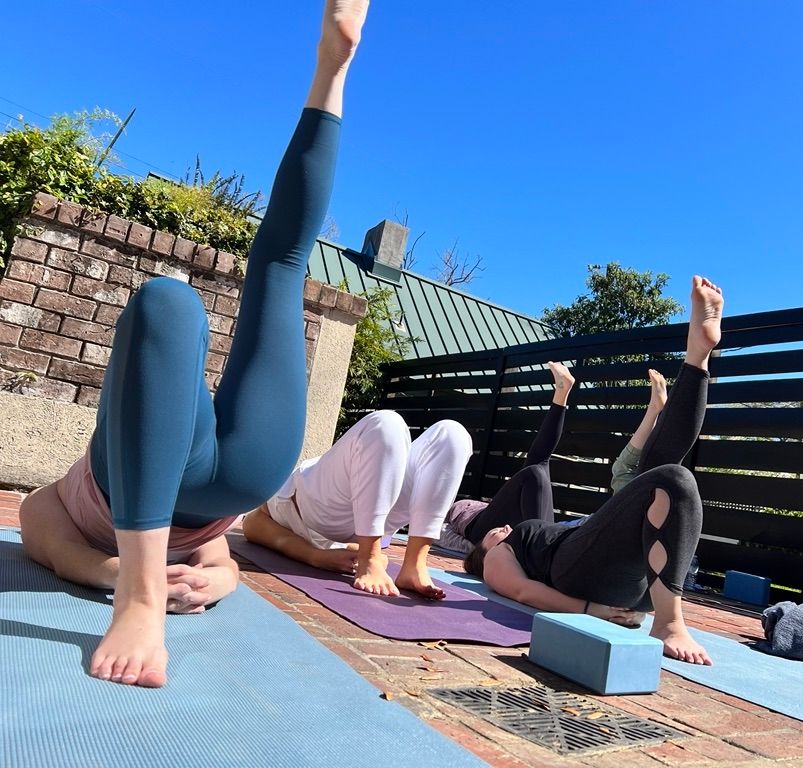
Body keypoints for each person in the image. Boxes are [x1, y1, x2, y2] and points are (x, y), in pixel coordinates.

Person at [17, 0, 371, 688]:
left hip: (203, 481)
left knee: (187, 294)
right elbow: (43, 530)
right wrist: (136, 573)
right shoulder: (76, 503)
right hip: (231, 482)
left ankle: (332, 69)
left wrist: (193, 581)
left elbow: (37, 520)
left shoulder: (70, 494)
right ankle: (332, 69)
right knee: (246, 276)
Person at [464, 276, 724, 664]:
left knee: (668, 479)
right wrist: (590, 610)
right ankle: (670, 623)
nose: (496, 529)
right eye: (488, 537)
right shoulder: (501, 553)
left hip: (637, 582)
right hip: (584, 574)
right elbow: (523, 592)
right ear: (481, 555)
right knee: (667, 477)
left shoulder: (530, 531)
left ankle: (697, 359)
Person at [440, 363, 671, 554]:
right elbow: (452, 541)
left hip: (493, 528)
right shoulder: (463, 514)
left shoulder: (461, 513)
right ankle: (562, 394)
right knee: (536, 467)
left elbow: (454, 541)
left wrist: (470, 547)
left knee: (536, 468)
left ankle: (563, 393)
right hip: (516, 530)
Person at [241, 412, 472, 600]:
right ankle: (371, 558)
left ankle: (414, 565)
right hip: (330, 513)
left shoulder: (277, 487)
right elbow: (252, 524)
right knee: (387, 425)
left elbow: (251, 523)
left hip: (347, 508)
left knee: (454, 435)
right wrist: (315, 556)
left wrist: (363, 555)